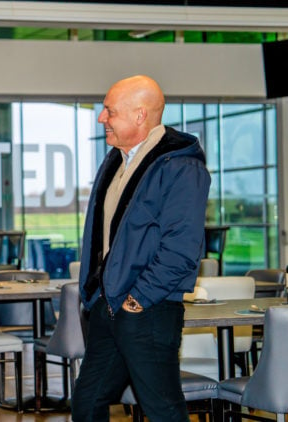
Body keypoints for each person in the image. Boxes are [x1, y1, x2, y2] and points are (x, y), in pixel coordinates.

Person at [71, 75, 211, 422]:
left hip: (147, 309)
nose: (102, 118)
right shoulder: (117, 160)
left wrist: (138, 299)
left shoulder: (180, 165)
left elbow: (181, 248)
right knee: (86, 404)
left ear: (139, 116)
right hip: (109, 306)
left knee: (162, 411)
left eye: (109, 111)